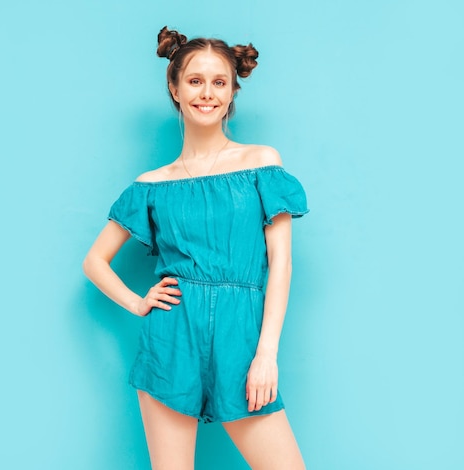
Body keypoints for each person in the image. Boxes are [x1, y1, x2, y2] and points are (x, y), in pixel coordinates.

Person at [83, 26, 309, 469]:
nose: (207, 93)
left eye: (219, 82)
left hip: (241, 338)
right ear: (175, 88)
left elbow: (280, 263)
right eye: (195, 81)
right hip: (171, 342)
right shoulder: (152, 185)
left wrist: (266, 355)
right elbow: (94, 261)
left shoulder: (262, 163)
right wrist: (137, 301)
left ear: (232, 92)